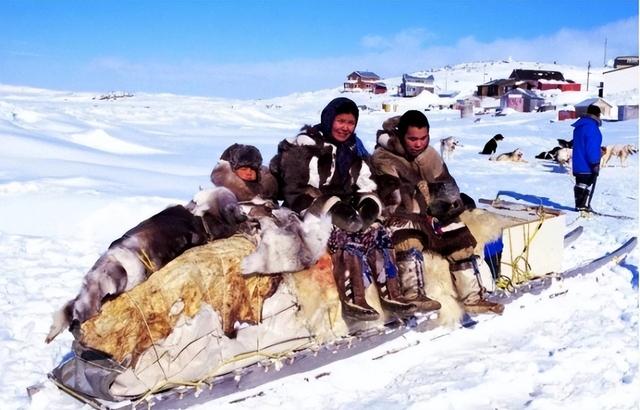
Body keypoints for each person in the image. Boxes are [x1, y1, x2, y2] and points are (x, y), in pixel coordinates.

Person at [270, 97, 417, 321]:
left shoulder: (353, 148)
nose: (345, 127)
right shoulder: (305, 147)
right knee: (343, 235)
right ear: (329, 119)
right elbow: (294, 192)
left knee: (377, 231)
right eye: (340, 121)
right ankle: (353, 298)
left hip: (344, 207)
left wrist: (368, 202)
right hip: (306, 213)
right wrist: (330, 207)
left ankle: (392, 293)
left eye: (350, 122)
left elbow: (365, 181)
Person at [371, 110, 503, 315]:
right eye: (413, 139)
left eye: (423, 138)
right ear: (400, 136)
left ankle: (473, 297)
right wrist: (427, 198)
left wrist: (437, 197)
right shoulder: (384, 158)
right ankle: (413, 295)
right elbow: (394, 199)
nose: (418, 144)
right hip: (399, 215)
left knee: (459, 238)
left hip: (430, 214)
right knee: (408, 238)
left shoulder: (429, 155)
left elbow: (449, 189)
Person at [211, 143, 279, 217]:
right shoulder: (222, 199)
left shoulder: (266, 192)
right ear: (233, 171)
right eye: (244, 169)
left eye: (253, 169)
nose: (249, 173)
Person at [571, 104, 603, 213]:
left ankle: (581, 205)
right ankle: (582, 206)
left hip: (578, 161)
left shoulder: (580, 126)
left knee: (581, 183)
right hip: (587, 164)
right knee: (584, 184)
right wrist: (595, 162)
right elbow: (592, 147)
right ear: (597, 114)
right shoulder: (591, 127)